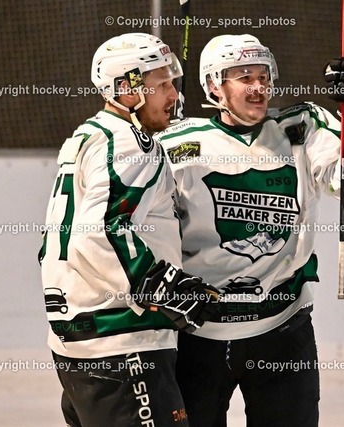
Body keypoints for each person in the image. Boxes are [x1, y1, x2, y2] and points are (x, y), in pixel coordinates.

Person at [154, 33, 344, 426]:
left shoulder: (300, 127)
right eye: (243, 76)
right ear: (214, 84)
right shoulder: (177, 143)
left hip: (281, 328)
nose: (258, 86)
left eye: (263, 75)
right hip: (195, 333)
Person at [39, 32, 217, 426]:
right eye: (164, 83)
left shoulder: (90, 135)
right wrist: (161, 283)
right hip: (121, 339)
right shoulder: (129, 145)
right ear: (129, 88)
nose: (174, 94)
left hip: (87, 337)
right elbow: (99, 229)